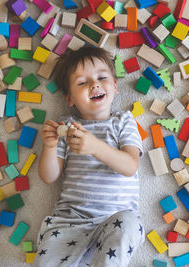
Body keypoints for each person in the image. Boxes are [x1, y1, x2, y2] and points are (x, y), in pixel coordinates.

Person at [34, 46, 144, 267]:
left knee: (130, 225)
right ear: (70, 99)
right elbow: (49, 176)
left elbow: (130, 166)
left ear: (114, 86)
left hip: (116, 219)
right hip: (70, 221)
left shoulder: (124, 121)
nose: (94, 84)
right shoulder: (67, 126)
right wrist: (49, 146)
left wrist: (96, 148)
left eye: (102, 78)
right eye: (82, 83)